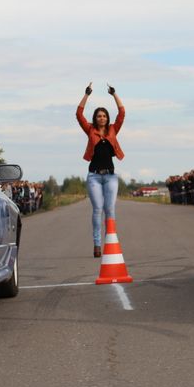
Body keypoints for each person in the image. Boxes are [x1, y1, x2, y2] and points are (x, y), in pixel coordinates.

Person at [76, 82, 125, 257]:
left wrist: (114, 94)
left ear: (107, 118)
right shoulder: (90, 130)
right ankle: (97, 245)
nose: (102, 118)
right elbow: (79, 114)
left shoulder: (113, 130)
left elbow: (122, 114)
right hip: (94, 176)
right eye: (99, 116)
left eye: (104, 116)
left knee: (110, 210)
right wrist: (87, 94)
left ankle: (110, 242)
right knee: (97, 209)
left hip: (111, 177)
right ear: (95, 118)